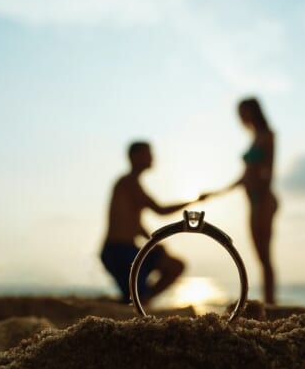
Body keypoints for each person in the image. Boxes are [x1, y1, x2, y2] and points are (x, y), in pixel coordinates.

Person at [201, 97, 278, 304]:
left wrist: (261, 193)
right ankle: (268, 300)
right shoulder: (253, 138)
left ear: (254, 111)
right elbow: (245, 176)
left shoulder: (267, 135)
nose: (241, 117)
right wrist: (217, 192)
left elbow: (269, 170)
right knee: (260, 256)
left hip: (263, 199)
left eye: (243, 112)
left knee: (265, 256)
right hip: (253, 200)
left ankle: (271, 302)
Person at [101, 141, 195, 304]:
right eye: (147, 153)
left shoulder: (130, 184)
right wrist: (194, 200)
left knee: (174, 266)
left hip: (127, 250)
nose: (152, 157)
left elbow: (134, 225)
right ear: (133, 157)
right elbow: (161, 210)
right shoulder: (128, 182)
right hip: (119, 252)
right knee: (135, 298)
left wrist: (153, 242)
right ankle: (143, 302)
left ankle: (143, 301)